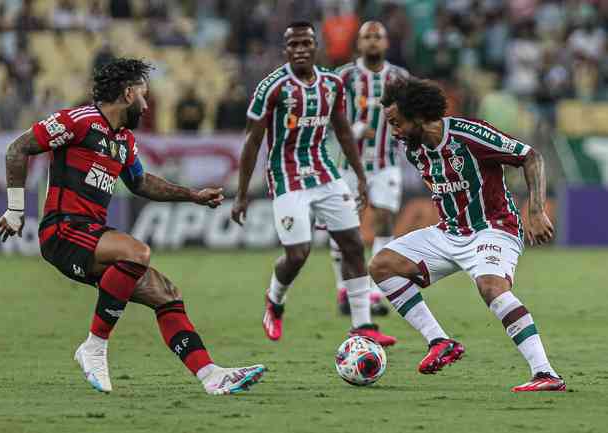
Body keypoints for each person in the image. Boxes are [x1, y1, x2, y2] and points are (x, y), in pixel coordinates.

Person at [0, 58, 265, 396]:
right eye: (144, 95)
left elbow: (140, 183)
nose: (147, 104)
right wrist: (16, 210)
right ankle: (94, 348)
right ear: (127, 94)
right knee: (137, 252)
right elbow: (18, 148)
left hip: (92, 234)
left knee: (167, 294)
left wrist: (192, 195)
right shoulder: (78, 121)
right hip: (62, 231)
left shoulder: (123, 140)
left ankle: (211, 376)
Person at [369, 77, 565, 392]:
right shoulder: (415, 150)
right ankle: (439, 341)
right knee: (381, 265)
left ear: (418, 115)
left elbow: (531, 156)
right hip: (448, 233)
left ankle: (545, 373)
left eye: (397, 122)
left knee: (490, 286)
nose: (394, 131)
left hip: (493, 228)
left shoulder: (469, 134)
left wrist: (536, 209)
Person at [231, 21, 396, 347]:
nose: (300, 50)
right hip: (286, 176)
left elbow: (344, 131)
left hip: (325, 173)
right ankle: (275, 300)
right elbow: (252, 141)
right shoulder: (272, 87)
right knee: (298, 253)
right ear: (285, 50)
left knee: (352, 244)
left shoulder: (332, 84)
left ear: (315, 46)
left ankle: (363, 324)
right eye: (293, 45)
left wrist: (360, 177)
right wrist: (241, 194)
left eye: (306, 43)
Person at [327, 21, 410, 317]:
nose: (373, 41)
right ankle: (343, 290)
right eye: (367, 37)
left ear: (386, 43)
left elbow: (411, 117)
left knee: (385, 221)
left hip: (386, 163)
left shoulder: (400, 77)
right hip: (348, 166)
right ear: (358, 43)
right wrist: (354, 130)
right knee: (345, 229)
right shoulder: (344, 77)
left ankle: (374, 293)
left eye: (378, 37)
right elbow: (326, 119)